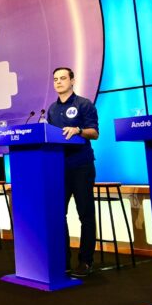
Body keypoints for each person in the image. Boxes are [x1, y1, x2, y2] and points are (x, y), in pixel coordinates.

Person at [46, 67, 100, 277]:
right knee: (59, 214)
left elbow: (94, 132)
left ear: (72, 81)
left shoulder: (84, 104)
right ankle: (63, 259)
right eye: (55, 79)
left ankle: (86, 261)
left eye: (62, 78)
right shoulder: (51, 109)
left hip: (81, 165)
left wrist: (78, 130)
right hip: (59, 167)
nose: (58, 82)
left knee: (85, 215)